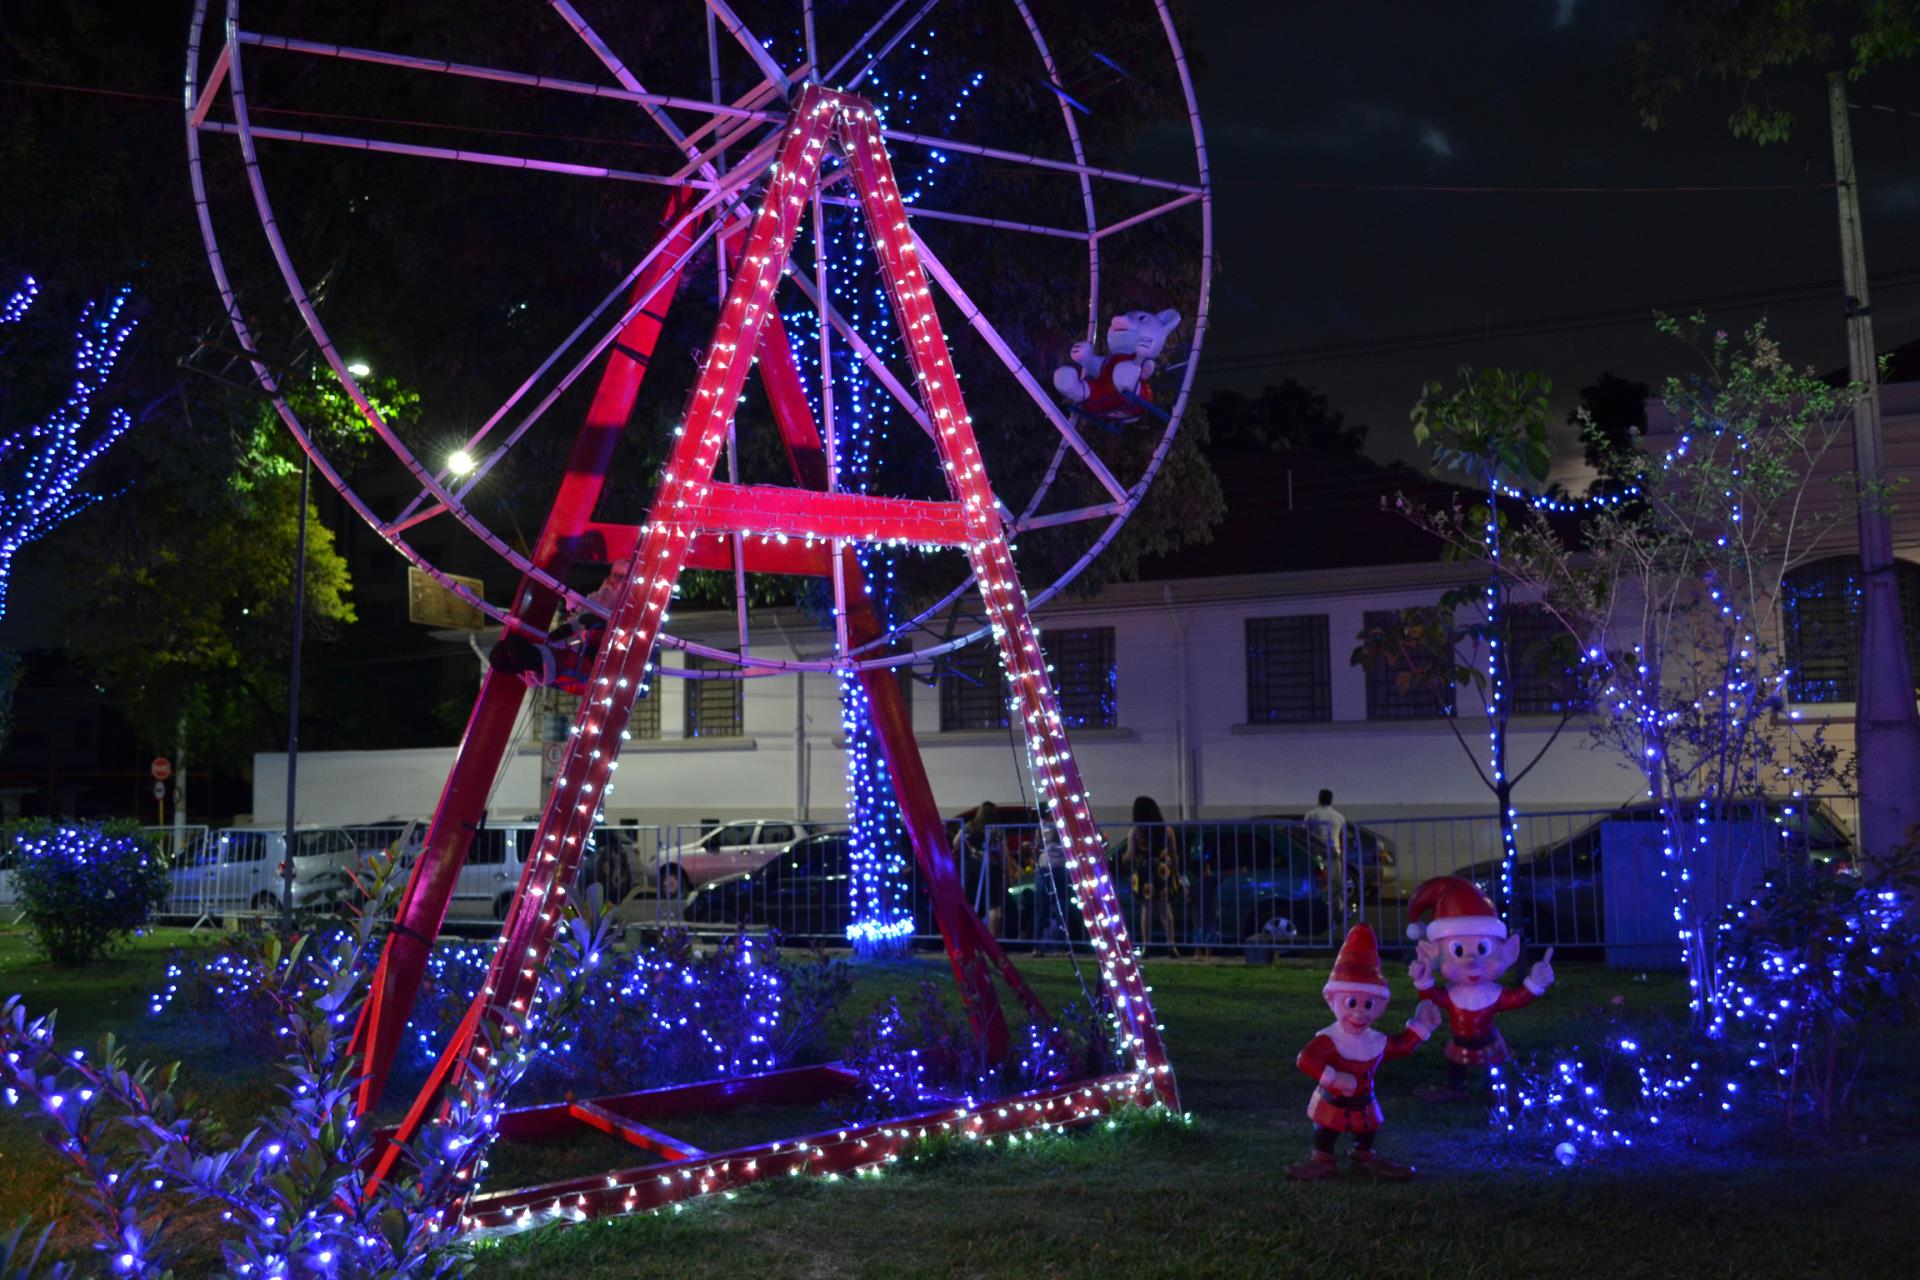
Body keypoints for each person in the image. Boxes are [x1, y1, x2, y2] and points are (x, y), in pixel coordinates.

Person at [1287, 924, 1442, 1181]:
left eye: (1368, 1005)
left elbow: (1399, 1046)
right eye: (1351, 1003)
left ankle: (1365, 1157)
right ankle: (1323, 1159)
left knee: (1367, 1130)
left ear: (1380, 1006)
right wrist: (1333, 1078)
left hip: (1363, 1103)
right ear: (1332, 1000)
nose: (1359, 1014)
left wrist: (1421, 1026)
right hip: (1332, 1101)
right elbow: (1306, 1060)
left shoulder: (1375, 1041)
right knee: (1325, 1130)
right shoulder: (1329, 1039)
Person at [1125, 795, 1181, 958]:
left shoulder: (1136, 831)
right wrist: (1176, 872)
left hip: (1144, 871)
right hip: (1163, 870)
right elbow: (1174, 853)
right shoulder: (1166, 829)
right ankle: (1171, 945)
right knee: (1165, 908)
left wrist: (1127, 859)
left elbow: (1130, 854)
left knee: (1146, 909)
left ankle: (1146, 945)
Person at [1303, 788, 1349, 924]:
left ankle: (1317, 915)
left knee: (1317, 885)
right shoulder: (1339, 817)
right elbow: (1342, 836)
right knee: (1335, 886)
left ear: (1319, 799)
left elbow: (1304, 834)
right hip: (1334, 853)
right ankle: (1336, 915)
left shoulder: (1311, 815)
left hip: (1316, 854)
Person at [1031, 834, 1070, 955]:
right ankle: (1060, 947)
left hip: (1046, 866)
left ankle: (1038, 946)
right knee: (1060, 909)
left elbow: (1037, 848)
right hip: (1058, 866)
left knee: (1044, 909)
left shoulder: (1044, 826)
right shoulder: (1063, 823)